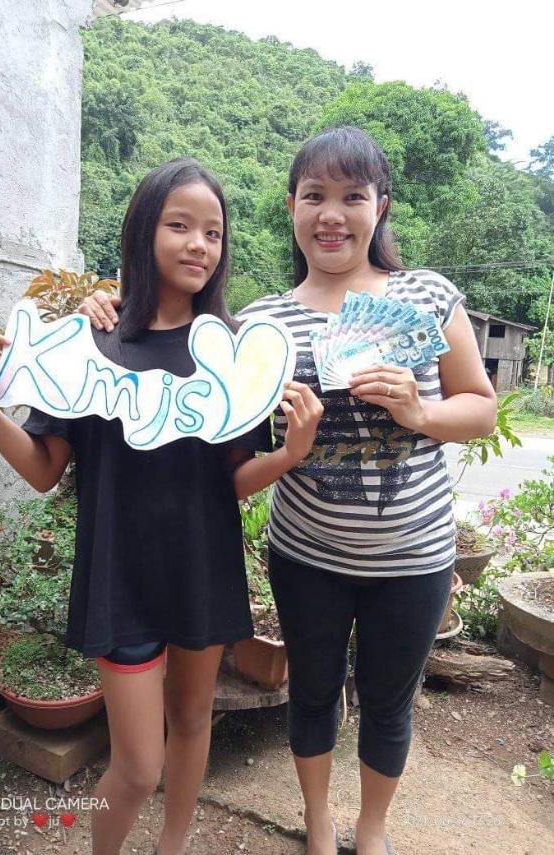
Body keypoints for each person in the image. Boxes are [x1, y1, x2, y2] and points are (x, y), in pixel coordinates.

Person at [80, 129, 497, 855]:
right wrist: (112, 302)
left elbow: (481, 409)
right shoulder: (261, 322)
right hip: (307, 552)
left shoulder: (426, 295)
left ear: (380, 206)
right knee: (310, 692)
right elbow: (179, 348)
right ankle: (317, 823)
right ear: (291, 207)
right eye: (314, 196)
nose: (331, 214)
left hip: (414, 553)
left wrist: (420, 412)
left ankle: (372, 827)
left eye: (352, 196)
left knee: (389, 702)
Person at [0, 157, 323, 855]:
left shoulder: (231, 355)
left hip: (201, 566)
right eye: (179, 225)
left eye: (212, 232)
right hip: (118, 575)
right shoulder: (93, 343)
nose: (198, 245)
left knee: (193, 721)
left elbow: (230, 480)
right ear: (143, 230)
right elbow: (43, 470)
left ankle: (172, 846)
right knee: (136, 764)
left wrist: (288, 454)